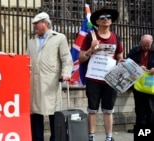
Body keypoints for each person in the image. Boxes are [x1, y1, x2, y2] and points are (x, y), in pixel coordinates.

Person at [78, 7, 124, 141]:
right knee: (92, 109)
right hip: (94, 78)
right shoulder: (90, 36)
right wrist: (91, 49)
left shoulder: (116, 37)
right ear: (97, 21)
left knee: (108, 110)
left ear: (112, 21)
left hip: (110, 79)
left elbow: (119, 57)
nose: (106, 19)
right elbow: (81, 58)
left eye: (108, 17)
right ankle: (91, 136)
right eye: (102, 18)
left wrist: (122, 61)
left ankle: (109, 137)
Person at [27, 12, 73, 141]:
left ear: (46, 23)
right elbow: (26, 60)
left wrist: (66, 73)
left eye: (37, 23)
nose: (34, 26)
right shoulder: (31, 41)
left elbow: (66, 58)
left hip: (51, 82)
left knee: (54, 113)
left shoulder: (59, 38)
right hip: (34, 82)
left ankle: (55, 138)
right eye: (34, 24)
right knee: (35, 113)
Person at [126, 34, 154, 133]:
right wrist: (138, 66)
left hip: (151, 82)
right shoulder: (135, 50)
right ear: (140, 43)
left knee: (150, 107)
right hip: (138, 81)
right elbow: (127, 61)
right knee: (139, 106)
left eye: (148, 45)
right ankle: (140, 128)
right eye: (144, 45)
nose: (146, 47)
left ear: (152, 43)